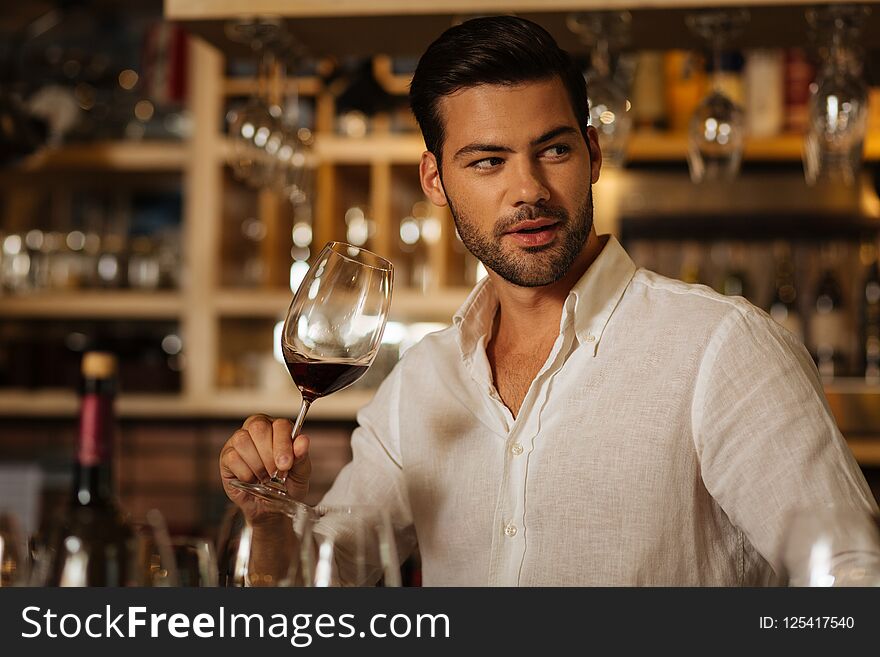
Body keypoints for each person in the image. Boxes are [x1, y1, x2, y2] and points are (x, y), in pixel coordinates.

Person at [219, 16, 878, 586]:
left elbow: (852, 577)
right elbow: (314, 589)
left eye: (552, 149)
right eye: (487, 161)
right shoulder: (422, 382)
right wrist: (271, 516)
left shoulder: (720, 347)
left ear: (592, 154)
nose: (527, 189)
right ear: (435, 180)